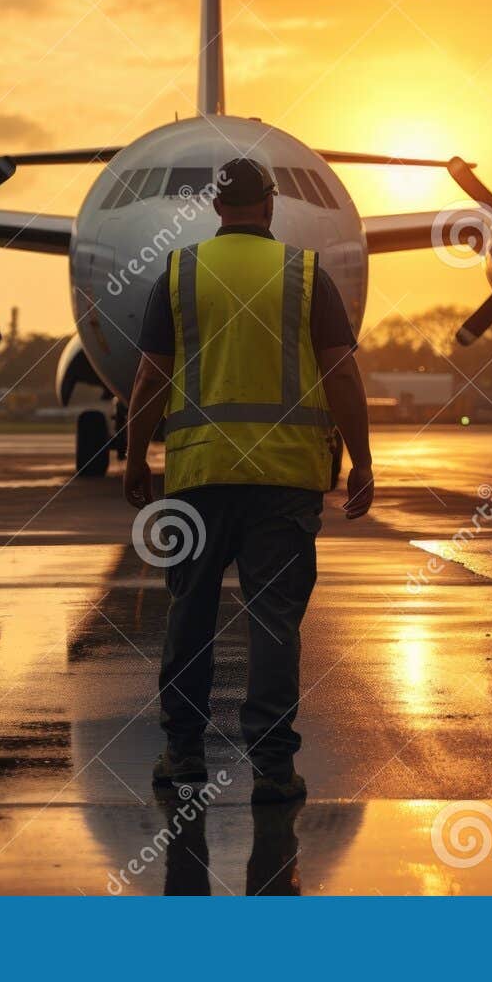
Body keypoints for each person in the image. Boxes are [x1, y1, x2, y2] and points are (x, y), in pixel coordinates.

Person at [123, 157, 373, 804]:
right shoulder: (306, 276)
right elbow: (342, 375)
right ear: (268, 205)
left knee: (189, 618)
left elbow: (150, 378)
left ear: (215, 207)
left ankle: (182, 756)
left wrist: (134, 457)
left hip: (199, 478)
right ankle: (270, 767)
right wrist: (363, 462)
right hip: (284, 482)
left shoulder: (177, 275)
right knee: (274, 626)